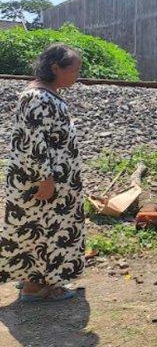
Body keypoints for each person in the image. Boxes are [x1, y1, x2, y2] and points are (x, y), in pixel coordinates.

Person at [1, 43, 85, 301]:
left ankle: (35, 280)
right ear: (55, 68)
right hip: (44, 181)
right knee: (45, 229)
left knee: (41, 228)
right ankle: (38, 286)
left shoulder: (44, 94)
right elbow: (32, 142)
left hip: (52, 181)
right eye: (73, 70)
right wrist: (45, 179)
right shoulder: (37, 97)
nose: (77, 76)